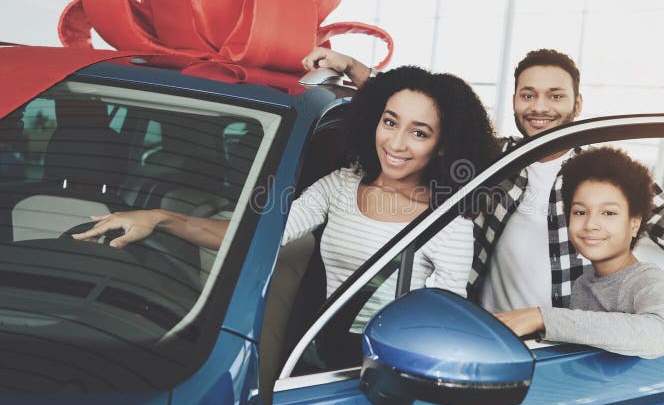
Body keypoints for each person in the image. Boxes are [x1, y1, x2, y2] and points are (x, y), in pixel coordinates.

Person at [301, 47, 664, 312]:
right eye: (528, 95)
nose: (539, 107)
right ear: (514, 100)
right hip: (481, 334)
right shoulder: (494, 159)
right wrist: (351, 66)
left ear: (577, 103)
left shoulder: (609, 173)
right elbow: (421, 109)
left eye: (555, 95)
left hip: (563, 347)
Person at [73, 66, 500, 298]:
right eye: (390, 122)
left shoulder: (449, 223)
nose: (397, 142)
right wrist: (159, 217)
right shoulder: (339, 186)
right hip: (319, 360)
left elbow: (439, 323)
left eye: (419, 132)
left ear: (444, 146)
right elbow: (256, 235)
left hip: (392, 375)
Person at [494, 147, 664, 359]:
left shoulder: (645, 279)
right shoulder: (583, 283)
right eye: (580, 212)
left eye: (609, 213)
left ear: (634, 224)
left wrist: (541, 317)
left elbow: (658, 334)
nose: (591, 223)